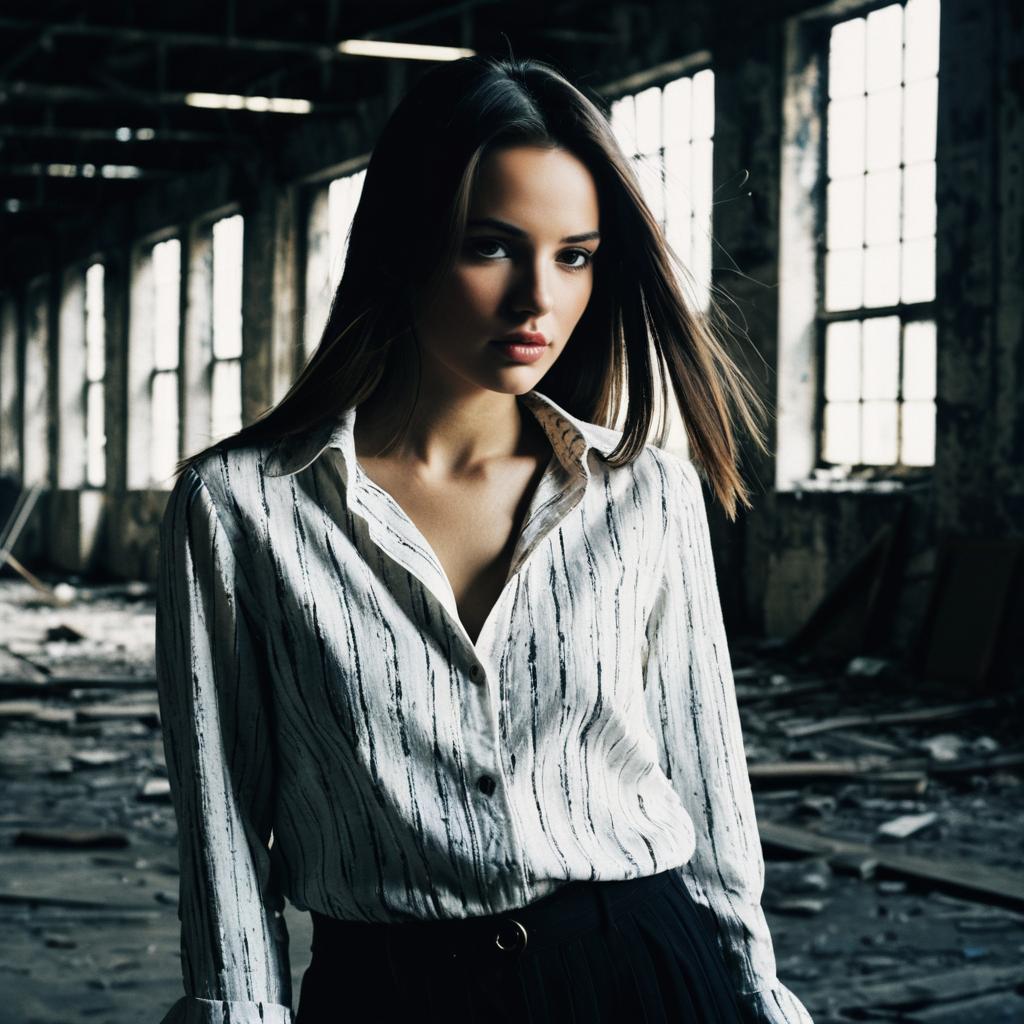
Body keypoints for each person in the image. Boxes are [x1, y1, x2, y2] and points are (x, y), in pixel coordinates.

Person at [154, 54, 813, 1024]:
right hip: (391, 993)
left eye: (575, 255)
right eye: (492, 246)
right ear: (404, 245)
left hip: (645, 973)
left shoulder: (644, 494)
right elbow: (221, 833)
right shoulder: (240, 509)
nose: (536, 300)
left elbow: (709, 798)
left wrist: (756, 996)